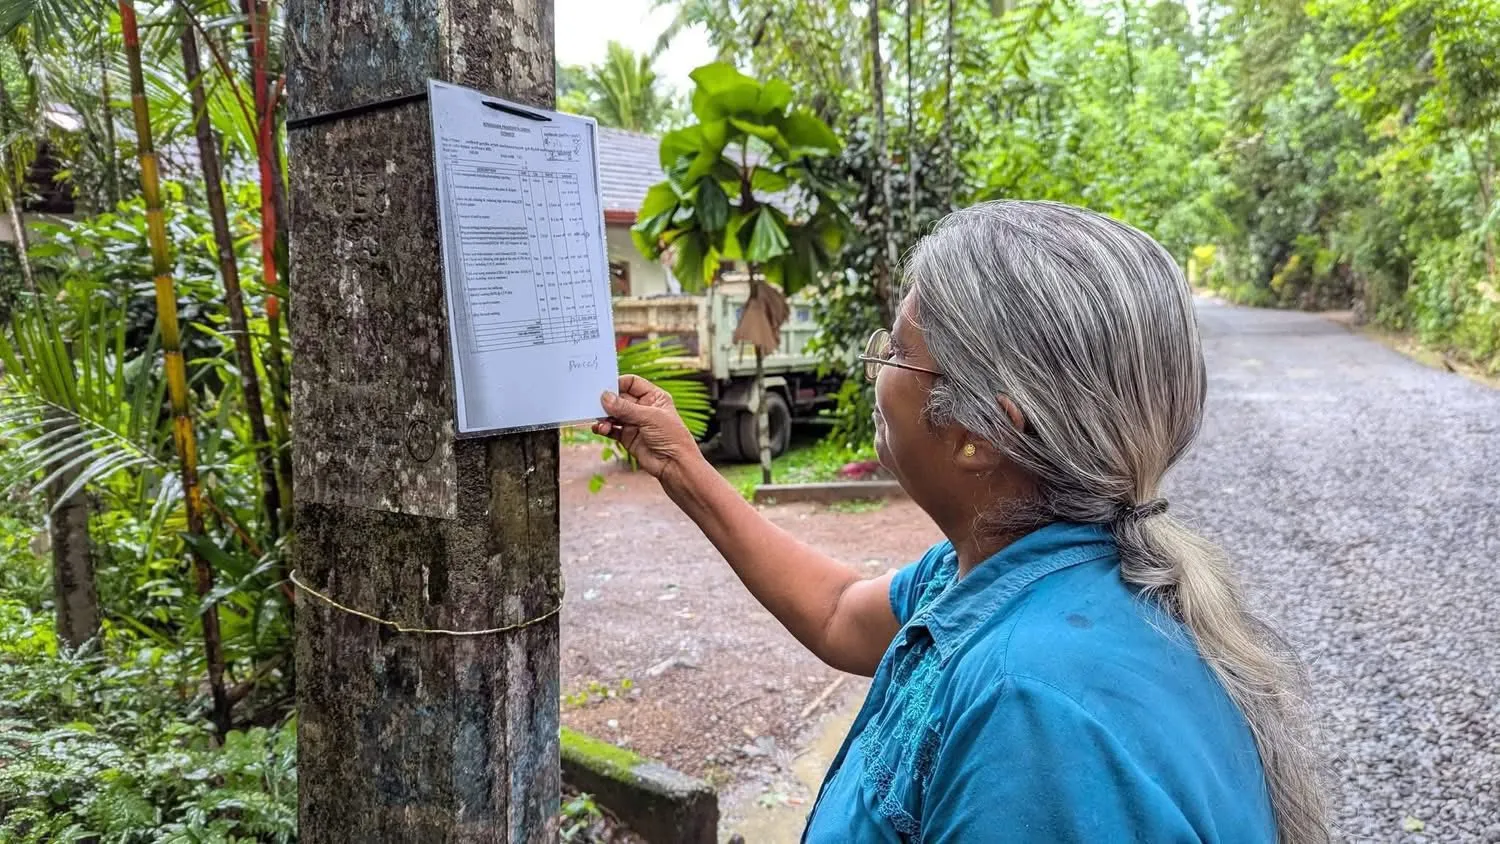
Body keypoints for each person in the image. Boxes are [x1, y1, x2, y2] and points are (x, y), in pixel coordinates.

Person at [593, 200, 1327, 843]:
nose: (877, 367)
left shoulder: (1032, 716)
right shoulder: (1024, 569)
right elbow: (837, 611)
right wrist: (683, 467)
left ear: (980, 435)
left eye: (896, 351)